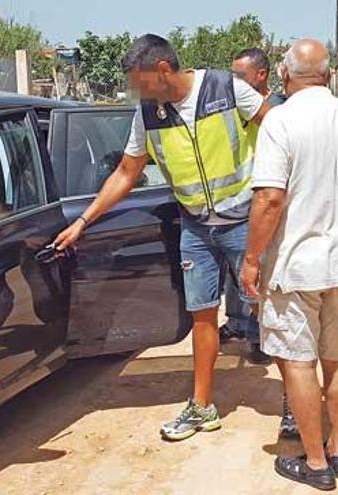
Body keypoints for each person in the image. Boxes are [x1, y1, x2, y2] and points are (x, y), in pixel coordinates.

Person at [54, 34, 271, 441]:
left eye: (141, 82)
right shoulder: (148, 113)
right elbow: (126, 172)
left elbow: (279, 131)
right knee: (202, 314)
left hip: (244, 221)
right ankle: (202, 406)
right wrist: (83, 221)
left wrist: (277, 195)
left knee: (272, 310)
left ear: (163, 70)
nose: (137, 92)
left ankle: (295, 405)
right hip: (195, 227)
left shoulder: (225, 88)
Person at [241, 39, 338, 491]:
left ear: (284, 74)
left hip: (296, 266)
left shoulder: (280, 121)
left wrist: (251, 259)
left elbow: (269, 198)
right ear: (327, 74)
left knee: (299, 363)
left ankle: (318, 462)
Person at [230, 47, 299, 439]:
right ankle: (252, 333)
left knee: (275, 304)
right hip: (253, 205)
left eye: (241, 76)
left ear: (263, 76)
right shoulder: (244, 111)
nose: (235, 84)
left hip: (273, 211)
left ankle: (295, 406)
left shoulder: (277, 114)